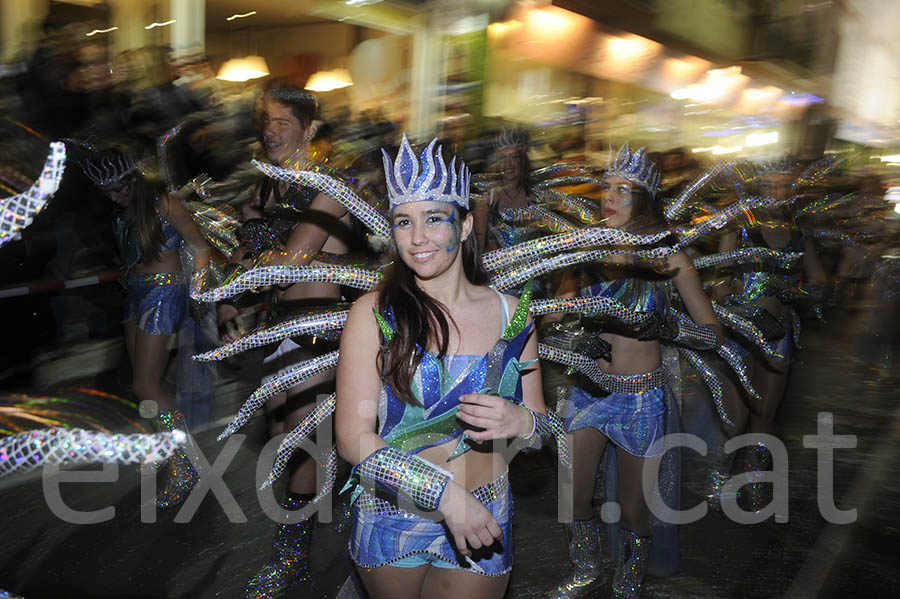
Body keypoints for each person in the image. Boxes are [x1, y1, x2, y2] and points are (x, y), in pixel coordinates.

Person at [335, 135, 558, 599]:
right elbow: (353, 438)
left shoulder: (513, 315)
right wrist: (444, 496)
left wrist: (521, 420)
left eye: (434, 219)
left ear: (464, 225)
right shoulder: (373, 313)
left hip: (484, 511)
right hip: (393, 514)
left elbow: (542, 430)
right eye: (403, 222)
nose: (417, 238)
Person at [547, 144, 721, 599]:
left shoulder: (670, 259)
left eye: (624, 190)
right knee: (573, 496)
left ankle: (629, 578)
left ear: (644, 199)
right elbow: (546, 314)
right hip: (588, 390)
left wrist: (672, 326)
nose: (611, 197)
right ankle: (586, 568)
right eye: (607, 187)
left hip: (641, 397)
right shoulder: (587, 249)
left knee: (632, 510)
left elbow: (713, 333)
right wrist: (572, 337)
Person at [215, 86, 354, 599]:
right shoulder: (264, 189)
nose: (270, 130)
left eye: (282, 122)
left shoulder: (331, 183)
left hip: (323, 327)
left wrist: (244, 263)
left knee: (300, 444)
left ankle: (288, 559)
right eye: (266, 121)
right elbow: (243, 253)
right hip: (279, 326)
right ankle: (342, 503)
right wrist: (228, 299)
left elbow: (294, 256)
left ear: (310, 129)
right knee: (286, 443)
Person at [81, 148, 215, 508]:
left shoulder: (165, 204)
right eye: (108, 191)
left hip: (164, 293)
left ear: (134, 178)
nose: (116, 196)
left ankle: (184, 467)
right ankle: (173, 445)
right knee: (148, 385)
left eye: (120, 187)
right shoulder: (122, 214)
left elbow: (201, 248)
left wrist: (199, 289)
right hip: (136, 295)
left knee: (146, 384)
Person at [714, 160, 827, 511]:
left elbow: (820, 281)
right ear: (758, 190)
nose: (776, 194)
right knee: (734, 416)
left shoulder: (799, 234)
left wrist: (803, 294)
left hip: (779, 335)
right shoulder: (740, 228)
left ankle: (755, 483)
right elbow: (717, 281)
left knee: (765, 413)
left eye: (783, 187)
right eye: (769, 187)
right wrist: (742, 302)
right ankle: (717, 482)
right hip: (742, 334)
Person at [473, 128, 536, 252]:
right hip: (495, 268)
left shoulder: (535, 197)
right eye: (502, 158)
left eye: (514, 157)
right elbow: (478, 247)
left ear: (522, 161)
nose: (508, 164)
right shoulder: (487, 201)